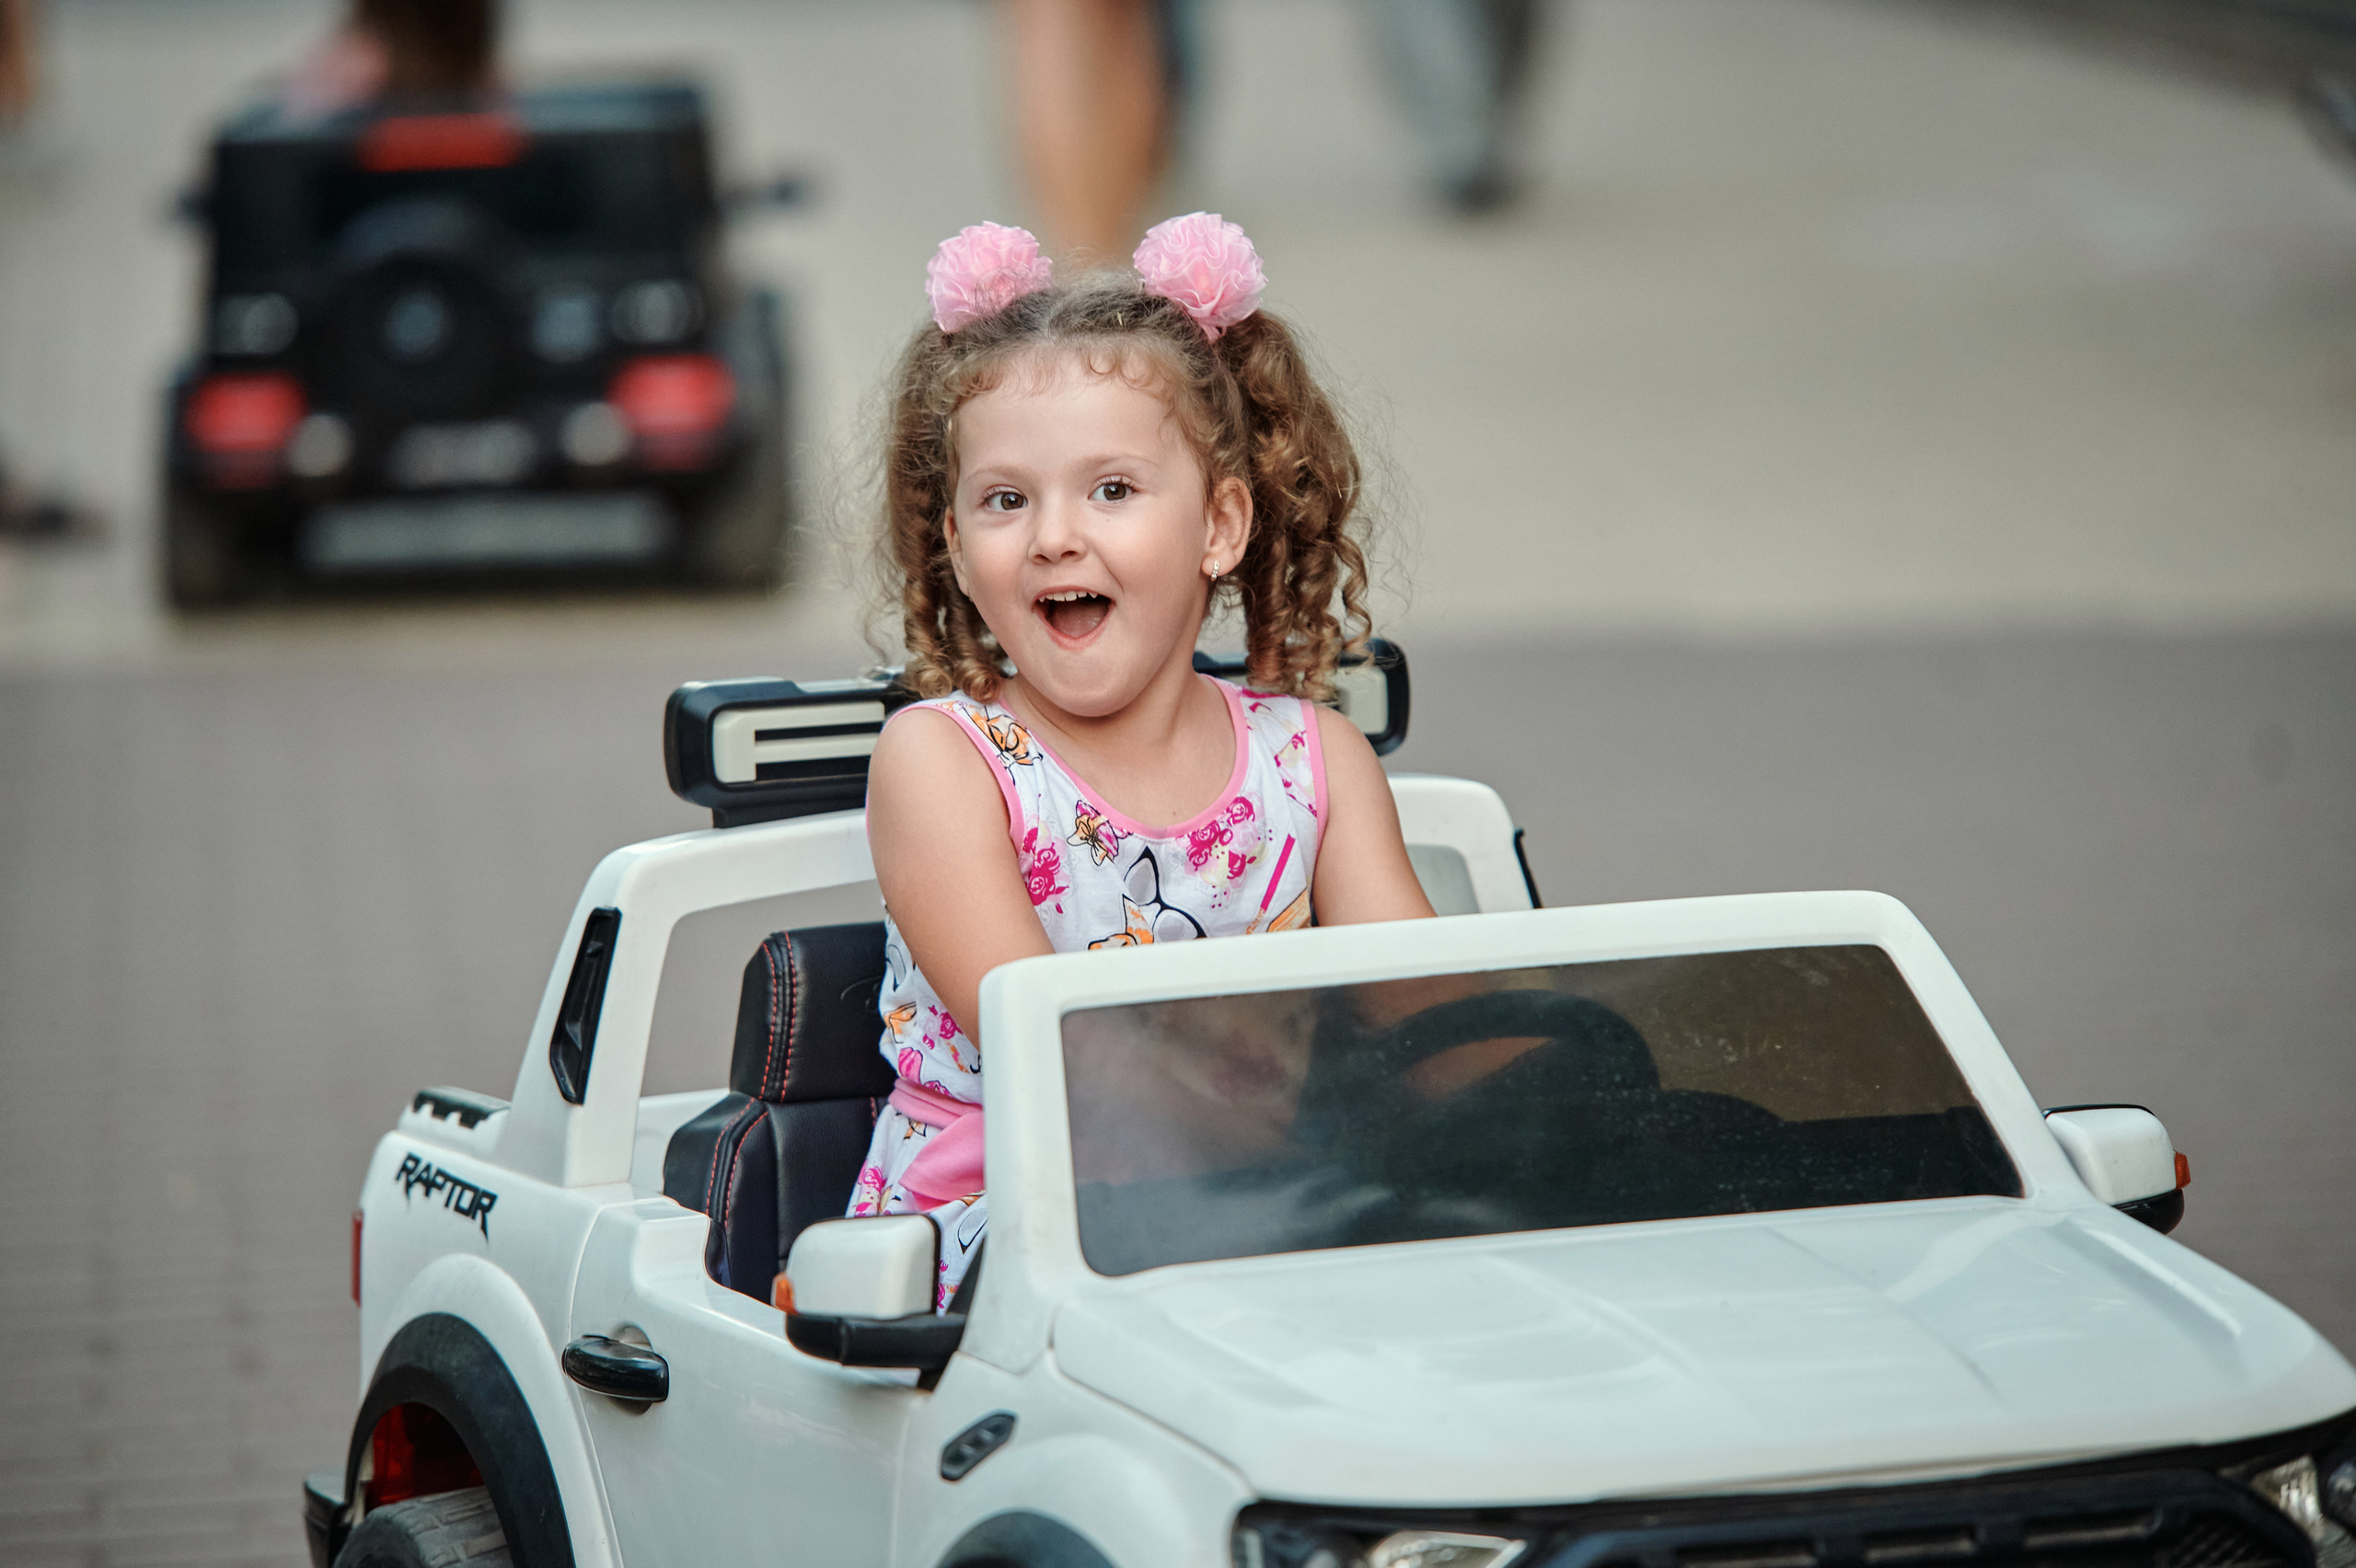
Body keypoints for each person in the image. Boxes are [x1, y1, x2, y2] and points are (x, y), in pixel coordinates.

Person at [844, 213, 1436, 1306]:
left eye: (1111, 489)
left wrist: (1571, 1093)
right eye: (1005, 500)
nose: (1054, 536)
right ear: (960, 555)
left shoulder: (1316, 763)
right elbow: (1070, 1062)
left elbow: (1440, 1025)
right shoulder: (943, 764)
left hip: (1268, 1213)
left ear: (1219, 527)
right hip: (995, 1246)